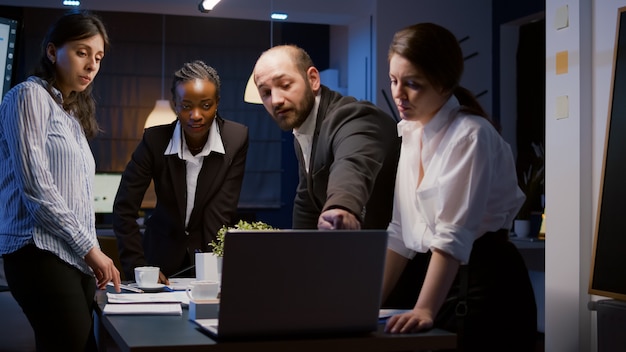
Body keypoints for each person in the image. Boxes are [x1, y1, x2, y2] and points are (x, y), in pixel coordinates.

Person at [381, 23, 537, 351]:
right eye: (394, 80)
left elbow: (452, 235)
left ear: (444, 83)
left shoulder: (470, 135)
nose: (398, 94)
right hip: (441, 279)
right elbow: (399, 233)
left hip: (485, 285)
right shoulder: (410, 134)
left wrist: (425, 308)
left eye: (413, 84)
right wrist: (369, 303)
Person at [0, 10, 121, 351]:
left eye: (98, 57)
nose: (92, 65)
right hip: (37, 254)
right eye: (82, 52)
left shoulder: (69, 115)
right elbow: (37, 190)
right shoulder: (27, 96)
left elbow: (78, 199)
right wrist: (93, 251)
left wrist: (88, 254)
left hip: (73, 257)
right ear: (52, 52)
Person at [113, 60, 249, 283]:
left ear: (217, 103)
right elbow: (123, 208)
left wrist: (217, 270)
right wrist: (139, 267)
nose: (196, 115)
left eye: (206, 105)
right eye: (186, 106)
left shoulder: (236, 139)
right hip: (158, 260)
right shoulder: (154, 141)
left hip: (210, 259)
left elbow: (222, 210)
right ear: (174, 104)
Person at [252, 45, 399, 230]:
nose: (275, 100)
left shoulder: (352, 116)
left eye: (285, 85)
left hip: (406, 253)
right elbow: (307, 202)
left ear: (313, 79)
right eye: (266, 93)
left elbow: (352, 164)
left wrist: (341, 207)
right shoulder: (303, 130)